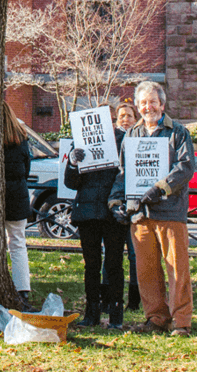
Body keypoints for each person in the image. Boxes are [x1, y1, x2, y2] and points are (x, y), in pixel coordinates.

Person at [108, 81, 196, 337]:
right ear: (138, 106)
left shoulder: (177, 132)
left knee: (177, 270)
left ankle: (181, 322)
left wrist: (158, 188)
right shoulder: (132, 135)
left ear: (162, 104)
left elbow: (185, 168)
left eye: (153, 102)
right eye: (143, 103)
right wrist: (115, 202)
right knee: (146, 271)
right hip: (140, 215)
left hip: (169, 212)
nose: (149, 107)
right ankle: (156, 318)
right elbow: (123, 174)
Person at [64, 123, 128, 328]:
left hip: (111, 211)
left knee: (114, 264)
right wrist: (73, 162)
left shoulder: (124, 141)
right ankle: (92, 313)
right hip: (88, 213)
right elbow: (70, 182)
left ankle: (115, 313)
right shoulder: (81, 142)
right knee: (91, 265)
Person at [1, 102, 35, 311]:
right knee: (17, 243)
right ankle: (22, 290)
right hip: (18, 195)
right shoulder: (20, 136)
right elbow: (26, 167)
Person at [113, 101, 142, 311]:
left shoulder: (142, 138)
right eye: (121, 116)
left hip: (136, 204)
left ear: (136, 118)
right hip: (114, 203)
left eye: (129, 116)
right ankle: (111, 299)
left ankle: (134, 300)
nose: (125, 119)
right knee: (113, 255)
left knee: (135, 255)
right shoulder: (109, 140)